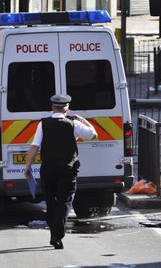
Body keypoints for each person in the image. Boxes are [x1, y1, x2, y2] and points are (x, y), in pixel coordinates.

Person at [24, 94, 98, 249]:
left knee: (51, 202)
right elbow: (93, 135)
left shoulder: (42, 124)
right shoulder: (73, 124)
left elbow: (34, 147)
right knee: (64, 202)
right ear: (67, 108)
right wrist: (82, 120)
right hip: (67, 169)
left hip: (48, 169)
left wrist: (27, 167)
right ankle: (57, 236)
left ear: (52, 107)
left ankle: (54, 233)